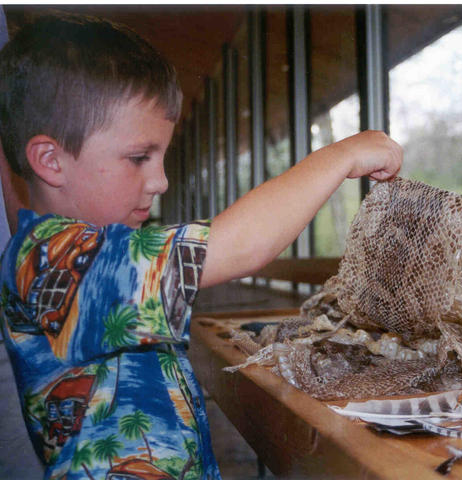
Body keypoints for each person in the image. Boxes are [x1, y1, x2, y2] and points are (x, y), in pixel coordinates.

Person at [0, 12, 402, 480]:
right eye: (138, 158)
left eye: (162, 156)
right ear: (51, 160)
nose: (161, 180)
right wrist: (341, 155)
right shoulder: (50, 260)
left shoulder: (92, 251)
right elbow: (241, 245)